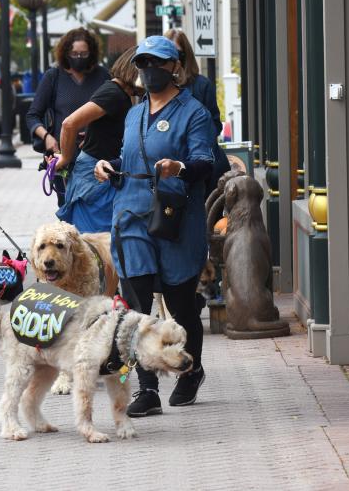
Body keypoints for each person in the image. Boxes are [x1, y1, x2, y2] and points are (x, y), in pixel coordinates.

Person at [95, 36, 214, 417]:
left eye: (157, 63)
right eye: (143, 63)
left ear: (174, 67)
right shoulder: (133, 113)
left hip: (173, 217)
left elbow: (204, 161)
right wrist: (108, 166)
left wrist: (179, 168)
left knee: (180, 306)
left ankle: (190, 371)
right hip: (131, 215)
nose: (149, 71)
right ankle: (145, 389)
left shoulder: (193, 112)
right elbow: (129, 154)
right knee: (136, 307)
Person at [52, 47, 140, 233]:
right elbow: (69, 124)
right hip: (94, 177)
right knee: (96, 244)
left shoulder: (119, 93)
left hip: (99, 171)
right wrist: (65, 158)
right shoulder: (113, 93)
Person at [26, 27, 110, 206]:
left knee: (94, 206)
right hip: (62, 156)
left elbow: (114, 114)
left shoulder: (102, 76)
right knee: (67, 206)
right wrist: (47, 137)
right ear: (66, 53)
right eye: (74, 54)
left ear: (92, 53)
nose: (79, 58)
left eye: (83, 54)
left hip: (96, 155)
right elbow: (33, 115)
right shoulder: (54, 76)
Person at [164, 29, 231, 196]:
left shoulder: (201, 85)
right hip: (170, 166)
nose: (175, 60)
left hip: (202, 163)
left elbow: (215, 125)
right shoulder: (158, 90)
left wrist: (197, 137)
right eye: (169, 55)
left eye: (179, 53)